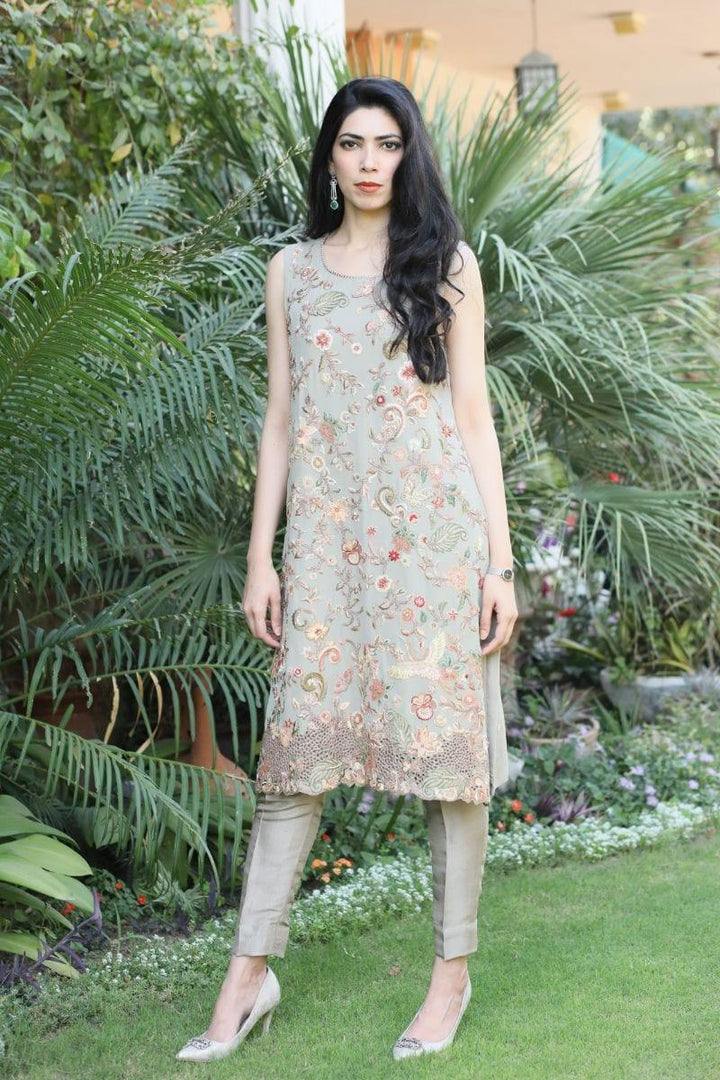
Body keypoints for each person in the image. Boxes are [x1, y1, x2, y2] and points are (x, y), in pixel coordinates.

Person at [176, 75, 518, 1065]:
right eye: (353, 143)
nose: (370, 162)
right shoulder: (291, 271)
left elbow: (474, 420)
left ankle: (450, 976)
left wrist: (500, 565)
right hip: (326, 555)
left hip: (438, 550)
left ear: (409, 156)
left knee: (452, 770)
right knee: (294, 762)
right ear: (329, 158)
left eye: (388, 144)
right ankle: (248, 976)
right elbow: (279, 421)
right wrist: (261, 559)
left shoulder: (446, 266)